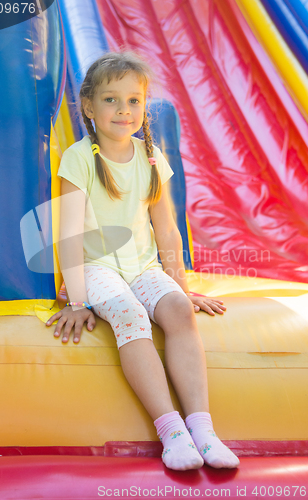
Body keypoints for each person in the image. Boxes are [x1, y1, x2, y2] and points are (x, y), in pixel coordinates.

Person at [46, 51, 240, 471]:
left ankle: (202, 429)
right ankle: (171, 431)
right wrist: (77, 299)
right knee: (130, 314)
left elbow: (167, 229)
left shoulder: (151, 157)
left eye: (134, 100)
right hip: (98, 267)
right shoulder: (80, 159)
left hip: (142, 267)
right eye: (111, 100)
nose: (124, 109)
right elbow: (68, 233)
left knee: (178, 311)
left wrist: (181, 289)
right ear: (89, 108)